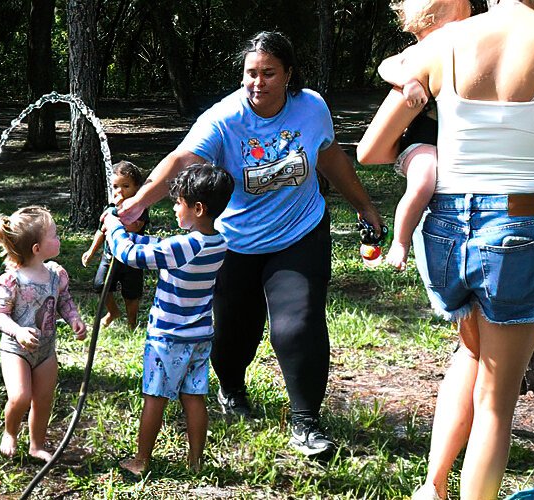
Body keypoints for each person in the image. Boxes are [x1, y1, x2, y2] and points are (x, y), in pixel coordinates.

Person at [356, 1, 534, 498]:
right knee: (497, 401)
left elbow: (371, 150)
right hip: (518, 224)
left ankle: (432, 486)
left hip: (444, 226)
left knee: (468, 354)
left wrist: (424, 152)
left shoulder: (445, 40)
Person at [115, 31, 384, 458]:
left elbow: (330, 158)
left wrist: (364, 206)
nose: (257, 83)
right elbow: (182, 161)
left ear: (289, 75)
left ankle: (305, 421)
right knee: (232, 336)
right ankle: (232, 388)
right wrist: (137, 203)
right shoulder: (224, 119)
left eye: (268, 73)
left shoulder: (311, 108)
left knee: (298, 323)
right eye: (250, 73)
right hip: (236, 243)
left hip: (300, 233)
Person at [104, 164, 233, 476]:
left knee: (155, 397)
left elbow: (130, 255)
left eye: (179, 202)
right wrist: (136, 235)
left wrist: (114, 227)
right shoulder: (218, 242)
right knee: (194, 397)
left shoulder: (185, 246)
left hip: (168, 338)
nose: (174, 207)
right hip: (200, 335)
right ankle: (196, 462)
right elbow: (160, 247)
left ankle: (141, 461)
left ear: (198, 208)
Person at [368, 0, 472, 270]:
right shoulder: (418, 55)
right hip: (421, 143)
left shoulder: (468, 53)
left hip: (454, 144)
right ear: (426, 31)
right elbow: (386, 66)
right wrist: (410, 81)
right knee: (425, 178)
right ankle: (401, 242)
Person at [0, 206, 87, 461]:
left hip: (45, 351)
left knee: (43, 400)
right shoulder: (12, 280)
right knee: (21, 397)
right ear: (36, 248)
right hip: (15, 350)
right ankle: (10, 432)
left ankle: (36, 445)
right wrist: (18, 331)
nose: (59, 238)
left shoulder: (56, 274)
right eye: (53, 235)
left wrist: (74, 319)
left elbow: (64, 300)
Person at [81, 161, 150, 329]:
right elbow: (101, 230)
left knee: (131, 293)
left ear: (137, 188)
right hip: (110, 255)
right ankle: (113, 312)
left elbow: (134, 226)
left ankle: (131, 322)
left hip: (131, 258)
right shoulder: (110, 208)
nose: (120, 191)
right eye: (115, 186)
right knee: (100, 285)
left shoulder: (139, 207)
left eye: (125, 186)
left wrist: (115, 215)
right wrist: (91, 251)